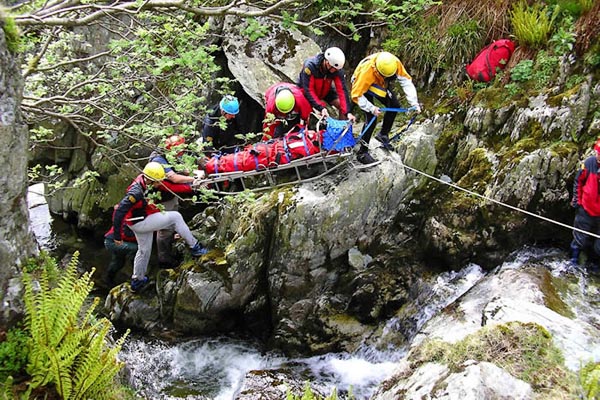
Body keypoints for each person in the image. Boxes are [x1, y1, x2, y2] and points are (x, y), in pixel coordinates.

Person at [112, 162, 208, 292]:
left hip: (136, 221)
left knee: (144, 251)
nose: (159, 184)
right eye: (157, 181)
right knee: (175, 217)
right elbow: (119, 212)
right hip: (140, 222)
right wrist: (117, 235)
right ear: (150, 180)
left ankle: (137, 281)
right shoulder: (136, 193)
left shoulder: (142, 181)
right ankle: (195, 247)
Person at [350, 51, 421, 164]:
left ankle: (383, 135)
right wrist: (371, 108)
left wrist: (414, 103)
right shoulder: (366, 72)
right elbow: (356, 95)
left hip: (379, 83)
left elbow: (406, 81)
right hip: (361, 86)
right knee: (371, 118)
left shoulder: (394, 63)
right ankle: (362, 153)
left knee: (394, 105)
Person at [149, 135, 196, 269]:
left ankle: (171, 241)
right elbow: (173, 178)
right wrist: (192, 179)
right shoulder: (158, 159)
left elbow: (178, 169)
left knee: (172, 220)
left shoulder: (168, 155)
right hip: (162, 197)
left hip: (170, 194)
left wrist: (190, 173)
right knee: (164, 229)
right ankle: (164, 259)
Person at [297, 47, 355, 122]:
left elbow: (342, 90)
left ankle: (341, 127)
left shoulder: (336, 70)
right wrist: (321, 107)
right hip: (306, 92)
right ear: (327, 63)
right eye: (335, 69)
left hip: (325, 90)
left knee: (341, 106)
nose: (336, 71)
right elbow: (309, 90)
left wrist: (348, 112)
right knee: (307, 113)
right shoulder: (310, 67)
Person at [570, 139, 600, 267]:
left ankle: (595, 266)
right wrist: (577, 200)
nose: (598, 156)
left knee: (599, 247)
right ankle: (573, 262)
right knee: (579, 239)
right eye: (598, 153)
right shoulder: (589, 163)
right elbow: (579, 181)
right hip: (586, 210)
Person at [103, 205, 137, 286]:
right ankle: (136, 275)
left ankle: (107, 279)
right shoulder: (126, 217)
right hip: (112, 241)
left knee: (118, 262)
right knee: (136, 249)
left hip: (116, 241)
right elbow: (126, 234)